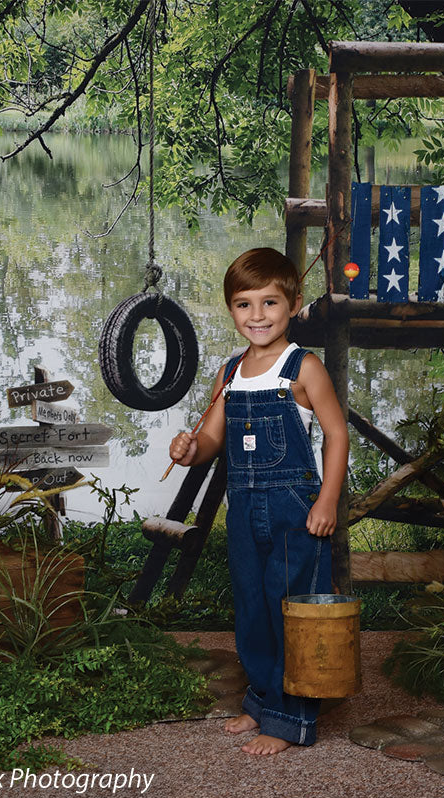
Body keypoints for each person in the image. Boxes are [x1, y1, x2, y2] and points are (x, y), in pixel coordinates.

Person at [169, 247, 349, 755]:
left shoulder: (303, 368)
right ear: (231, 310)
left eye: (269, 303)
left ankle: (289, 720)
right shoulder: (229, 373)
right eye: (244, 305)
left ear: (292, 303)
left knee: (290, 608)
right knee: (251, 608)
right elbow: (210, 442)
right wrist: (187, 450)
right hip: (245, 508)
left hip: (296, 507)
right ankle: (262, 702)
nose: (257, 316)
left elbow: (337, 436)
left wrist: (328, 500)